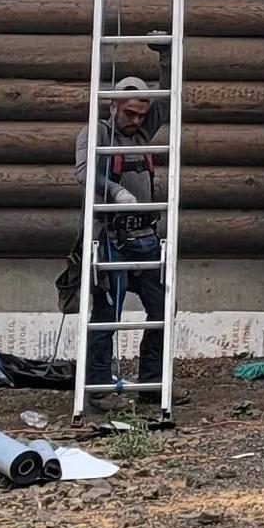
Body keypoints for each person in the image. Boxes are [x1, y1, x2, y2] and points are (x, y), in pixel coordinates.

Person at [72, 79, 167, 398]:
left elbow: (167, 100)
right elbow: (84, 172)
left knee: (163, 308)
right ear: (112, 107)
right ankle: (98, 388)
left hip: (146, 237)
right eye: (129, 113)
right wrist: (114, 190)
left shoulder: (142, 131)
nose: (136, 120)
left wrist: (165, 60)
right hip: (112, 237)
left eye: (141, 114)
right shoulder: (96, 131)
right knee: (107, 313)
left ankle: (152, 385)